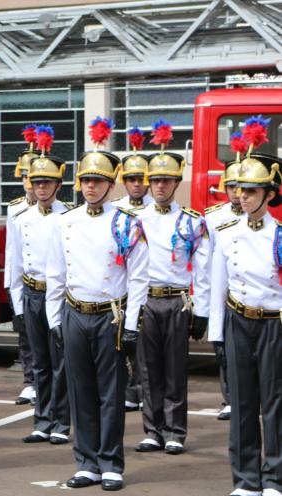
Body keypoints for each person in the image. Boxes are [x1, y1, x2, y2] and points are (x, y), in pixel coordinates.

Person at [46, 117, 148, 492]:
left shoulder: (127, 223)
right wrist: (54, 319)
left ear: (110, 184)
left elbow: (139, 277)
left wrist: (133, 323)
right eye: (86, 180)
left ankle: (110, 462)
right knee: (80, 391)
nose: (91, 186)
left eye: (98, 181)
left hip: (111, 316)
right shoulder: (66, 222)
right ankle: (86, 461)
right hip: (75, 313)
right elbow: (55, 273)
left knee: (110, 392)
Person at [208, 117, 282, 496]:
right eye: (240, 190)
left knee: (273, 402)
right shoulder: (226, 233)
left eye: (253, 191)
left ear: (269, 194)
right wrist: (217, 335)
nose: (244, 197)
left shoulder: (280, 235)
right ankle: (245, 477)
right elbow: (218, 284)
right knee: (242, 402)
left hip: (273, 324)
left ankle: (275, 476)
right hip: (239, 321)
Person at [133, 120, 210, 456]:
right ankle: (152, 429)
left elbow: (204, 270)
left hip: (177, 301)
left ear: (177, 182)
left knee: (175, 369)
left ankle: (176, 430)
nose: (159, 186)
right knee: (147, 370)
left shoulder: (192, 221)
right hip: (146, 300)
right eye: (155, 181)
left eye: (166, 180)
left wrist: (201, 310)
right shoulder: (134, 219)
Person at [8, 126, 71, 445]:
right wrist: (17, 305)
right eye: (36, 182)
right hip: (32, 294)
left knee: (60, 361)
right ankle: (42, 419)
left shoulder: (69, 217)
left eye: (46, 182)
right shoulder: (22, 219)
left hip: (58, 296)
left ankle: (61, 421)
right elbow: (15, 263)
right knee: (38, 361)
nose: (41, 187)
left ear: (58, 185)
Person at [204, 132, 247, 421]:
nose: (235, 192)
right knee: (224, 347)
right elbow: (205, 260)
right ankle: (230, 397)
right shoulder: (212, 217)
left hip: (251, 292)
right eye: (231, 186)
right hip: (222, 289)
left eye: (240, 187)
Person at [116, 127, 151, 412]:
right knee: (123, 343)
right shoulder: (116, 210)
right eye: (131, 179)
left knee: (146, 348)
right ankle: (129, 388)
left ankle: (144, 390)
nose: (137, 184)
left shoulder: (157, 209)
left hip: (149, 287)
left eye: (141, 179)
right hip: (121, 288)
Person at [7, 124, 38, 406]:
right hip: (24, 280)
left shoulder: (62, 208)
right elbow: (11, 252)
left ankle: (44, 381)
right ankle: (29, 381)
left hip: (50, 286)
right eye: (26, 176)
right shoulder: (14, 208)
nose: (30, 182)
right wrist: (11, 287)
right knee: (26, 334)